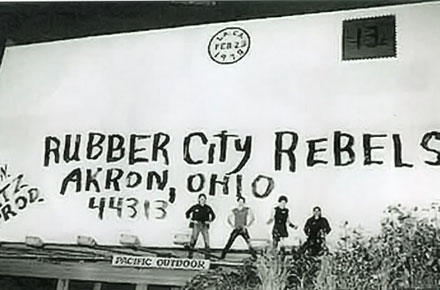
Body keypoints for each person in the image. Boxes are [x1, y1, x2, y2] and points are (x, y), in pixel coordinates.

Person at [185, 193, 216, 259]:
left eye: (204, 199)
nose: (203, 200)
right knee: (194, 238)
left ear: (205, 200)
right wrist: (192, 220)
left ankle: (207, 256)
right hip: (196, 224)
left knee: (206, 239)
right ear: (199, 199)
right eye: (201, 199)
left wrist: (209, 221)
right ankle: (190, 255)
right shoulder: (195, 207)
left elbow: (213, 216)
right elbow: (187, 213)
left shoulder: (207, 208)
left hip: (204, 224)